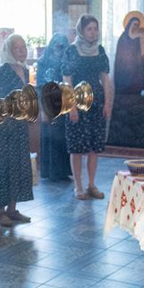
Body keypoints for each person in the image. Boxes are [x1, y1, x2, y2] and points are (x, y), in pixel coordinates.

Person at [62, 15, 113, 200]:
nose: (93, 32)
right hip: (77, 100)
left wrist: (107, 103)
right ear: (81, 31)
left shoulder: (100, 50)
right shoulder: (71, 51)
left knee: (94, 145)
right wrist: (71, 107)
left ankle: (91, 184)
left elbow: (105, 79)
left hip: (97, 102)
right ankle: (78, 186)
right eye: (89, 29)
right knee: (76, 146)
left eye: (95, 28)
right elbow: (66, 81)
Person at [0, 34, 34, 226]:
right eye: (18, 48)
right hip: (5, 127)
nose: (22, 51)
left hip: (20, 127)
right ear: (9, 51)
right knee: (4, 168)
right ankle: (0, 211)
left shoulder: (24, 69)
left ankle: (12, 209)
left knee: (20, 166)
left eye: (24, 47)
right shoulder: (4, 71)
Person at [35, 34, 71, 181]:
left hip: (64, 104)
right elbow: (40, 86)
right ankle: (50, 172)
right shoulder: (44, 62)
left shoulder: (67, 61)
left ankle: (63, 171)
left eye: (62, 47)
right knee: (51, 138)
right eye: (57, 46)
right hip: (49, 103)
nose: (59, 49)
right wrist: (43, 110)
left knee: (63, 139)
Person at [114, 13, 144, 94]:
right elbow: (120, 54)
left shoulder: (140, 37)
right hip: (124, 67)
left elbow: (143, 53)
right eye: (134, 24)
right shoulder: (123, 37)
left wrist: (142, 38)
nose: (136, 26)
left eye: (138, 25)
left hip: (136, 66)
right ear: (129, 25)